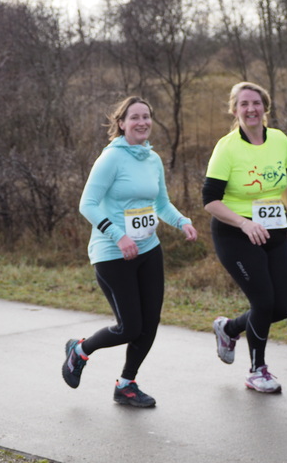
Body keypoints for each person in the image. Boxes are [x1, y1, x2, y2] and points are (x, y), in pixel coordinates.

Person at [62, 96, 197, 407]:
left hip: (149, 249)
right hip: (111, 253)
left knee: (149, 323)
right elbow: (87, 204)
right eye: (134, 117)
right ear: (121, 123)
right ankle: (80, 350)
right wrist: (119, 236)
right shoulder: (111, 158)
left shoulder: (153, 159)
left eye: (146, 117)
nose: (142, 122)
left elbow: (161, 203)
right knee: (129, 327)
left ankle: (126, 384)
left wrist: (182, 222)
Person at [202, 81, 287, 393]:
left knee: (282, 307)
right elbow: (210, 200)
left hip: (274, 230)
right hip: (236, 234)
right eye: (244, 104)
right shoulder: (227, 147)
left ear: (265, 107)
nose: (251, 109)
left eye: (256, 103)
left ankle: (229, 328)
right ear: (234, 110)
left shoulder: (279, 140)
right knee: (262, 301)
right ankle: (257, 370)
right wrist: (244, 224)